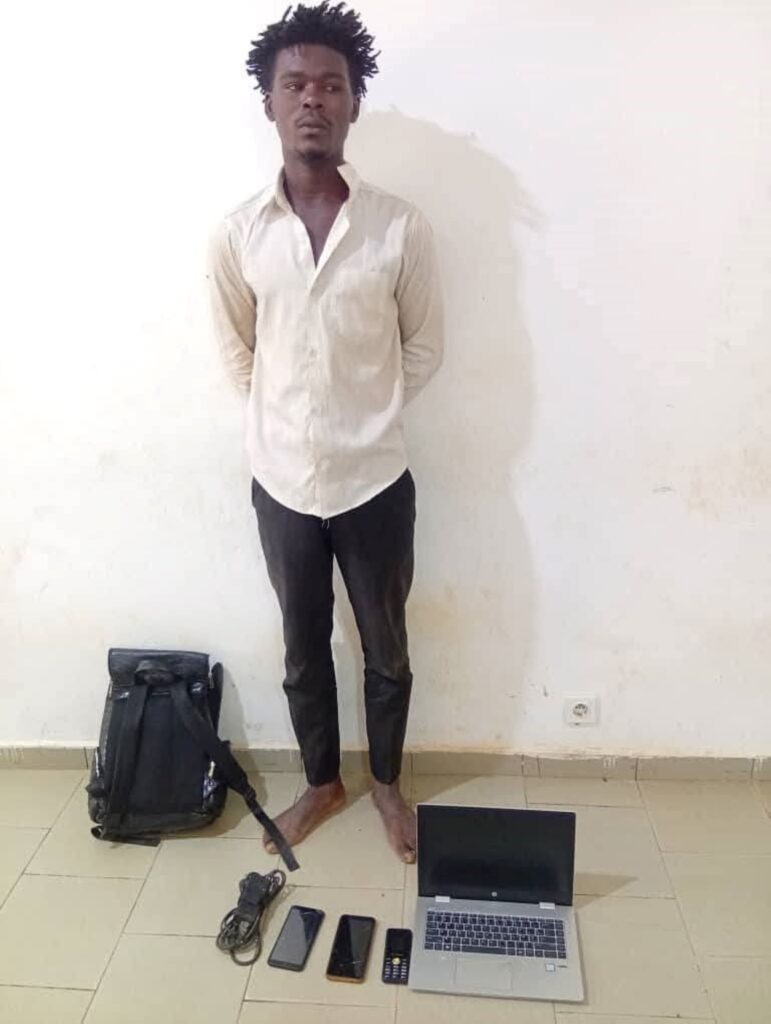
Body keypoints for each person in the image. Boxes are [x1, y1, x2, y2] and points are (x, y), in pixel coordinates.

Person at [208, 1, 443, 863]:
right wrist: (284, 418)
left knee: (387, 647)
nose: (313, 98)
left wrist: (361, 410)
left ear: (353, 103)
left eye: (331, 85)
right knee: (302, 648)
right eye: (295, 84)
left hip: (374, 478)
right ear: (270, 103)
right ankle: (321, 782)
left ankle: (385, 784)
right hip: (281, 481)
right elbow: (238, 352)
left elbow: (423, 347)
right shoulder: (239, 234)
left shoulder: (398, 227)